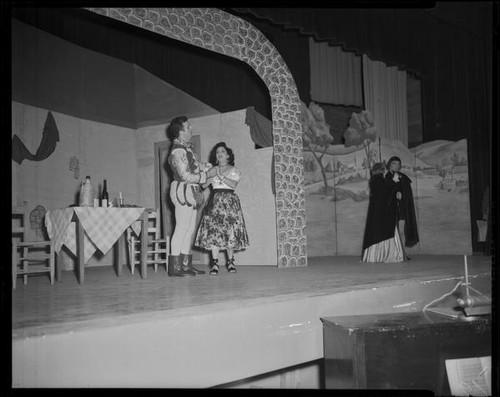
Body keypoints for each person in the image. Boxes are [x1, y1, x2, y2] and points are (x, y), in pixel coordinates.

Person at [166, 116, 218, 277]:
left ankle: (185, 264)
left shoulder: (187, 149)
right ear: (180, 132)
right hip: (183, 190)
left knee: (189, 229)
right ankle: (174, 266)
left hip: (192, 191)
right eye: (188, 127)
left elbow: (193, 167)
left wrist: (205, 166)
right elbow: (185, 175)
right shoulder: (178, 150)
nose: (191, 129)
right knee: (181, 227)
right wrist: (207, 174)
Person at [194, 142, 249, 275]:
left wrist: (220, 174)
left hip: (229, 204)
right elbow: (204, 185)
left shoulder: (233, 170)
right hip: (215, 203)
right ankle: (215, 264)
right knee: (214, 233)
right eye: (217, 151)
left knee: (230, 232)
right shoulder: (213, 170)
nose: (219, 153)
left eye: (222, 151)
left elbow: (233, 184)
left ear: (228, 155)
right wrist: (205, 173)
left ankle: (230, 262)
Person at [362, 162, 406, 262]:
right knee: (385, 231)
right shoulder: (379, 179)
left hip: (377, 213)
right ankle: (387, 255)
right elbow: (386, 193)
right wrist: (395, 183)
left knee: (376, 231)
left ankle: (374, 256)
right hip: (384, 213)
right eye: (384, 169)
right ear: (381, 170)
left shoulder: (374, 180)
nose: (385, 171)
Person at [384, 156, 419, 254]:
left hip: (401, 207)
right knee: (392, 231)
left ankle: (401, 252)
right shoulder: (386, 177)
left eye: (398, 164)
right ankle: (392, 253)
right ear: (389, 165)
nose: (396, 166)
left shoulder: (402, 177)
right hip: (391, 208)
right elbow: (385, 193)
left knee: (402, 230)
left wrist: (401, 192)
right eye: (394, 164)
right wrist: (395, 190)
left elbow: (406, 191)